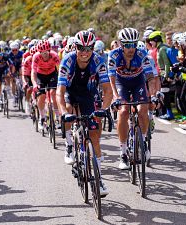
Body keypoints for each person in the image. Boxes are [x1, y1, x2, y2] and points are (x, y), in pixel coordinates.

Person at [57, 30, 112, 196]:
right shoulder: (68, 60)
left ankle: (99, 178)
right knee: (68, 111)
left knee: (94, 135)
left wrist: (103, 109)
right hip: (70, 92)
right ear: (75, 47)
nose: (85, 52)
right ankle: (69, 144)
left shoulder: (98, 60)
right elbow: (59, 92)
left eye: (89, 48)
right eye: (81, 48)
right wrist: (63, 113)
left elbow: (107, 90)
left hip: (88, 93)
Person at [108, 28, 156, 170]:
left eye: (134, 44)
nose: (131, 48)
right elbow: (111, 79)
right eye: (128, 45)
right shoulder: (114, 55)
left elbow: (150, 77)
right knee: (123, 112)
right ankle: (123, 153)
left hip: (138, 82)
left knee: (143, 109)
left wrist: (152, 95)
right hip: (121, 83)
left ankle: (143, 142)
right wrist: (116, 97)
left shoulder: (142, 53)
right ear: (121, 45)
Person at [31, 40, 61, 130]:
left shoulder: (54, 55)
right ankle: (42, 117)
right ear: (39, 52)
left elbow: (60, 69)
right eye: (43, 53)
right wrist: (34, 84)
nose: (45, 54)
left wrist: (61, 82)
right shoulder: (36, 57)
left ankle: (58, 118)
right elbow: (33, 72)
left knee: (53, 94)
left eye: (47, 52)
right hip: (41, 76)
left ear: (49, 50)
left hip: (52, 74)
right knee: (42, 96)